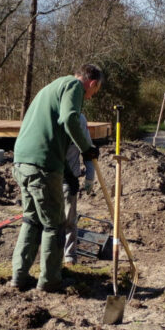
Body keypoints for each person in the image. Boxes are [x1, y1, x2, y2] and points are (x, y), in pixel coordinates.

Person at [10, 64, 102, 292]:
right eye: (94, 91)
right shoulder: (74, 86)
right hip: (43, 166)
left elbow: (54, 139)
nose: (91, 96)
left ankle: (19, 277)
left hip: (22, 161)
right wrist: (87, 149)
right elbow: (70, 119)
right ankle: (50, 280)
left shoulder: (53, 86)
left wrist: (69, 174)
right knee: (54, 224)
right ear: (92, 83)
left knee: (31, 219)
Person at [63, 113, 95, 265]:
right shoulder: (48, 116)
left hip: (67, 180)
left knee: (68, 220)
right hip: (50, 178)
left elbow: (87, 149)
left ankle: (69, 257)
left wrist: (90, 176)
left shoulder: (79, 119)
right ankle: (54, 259)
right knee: (53, 223)